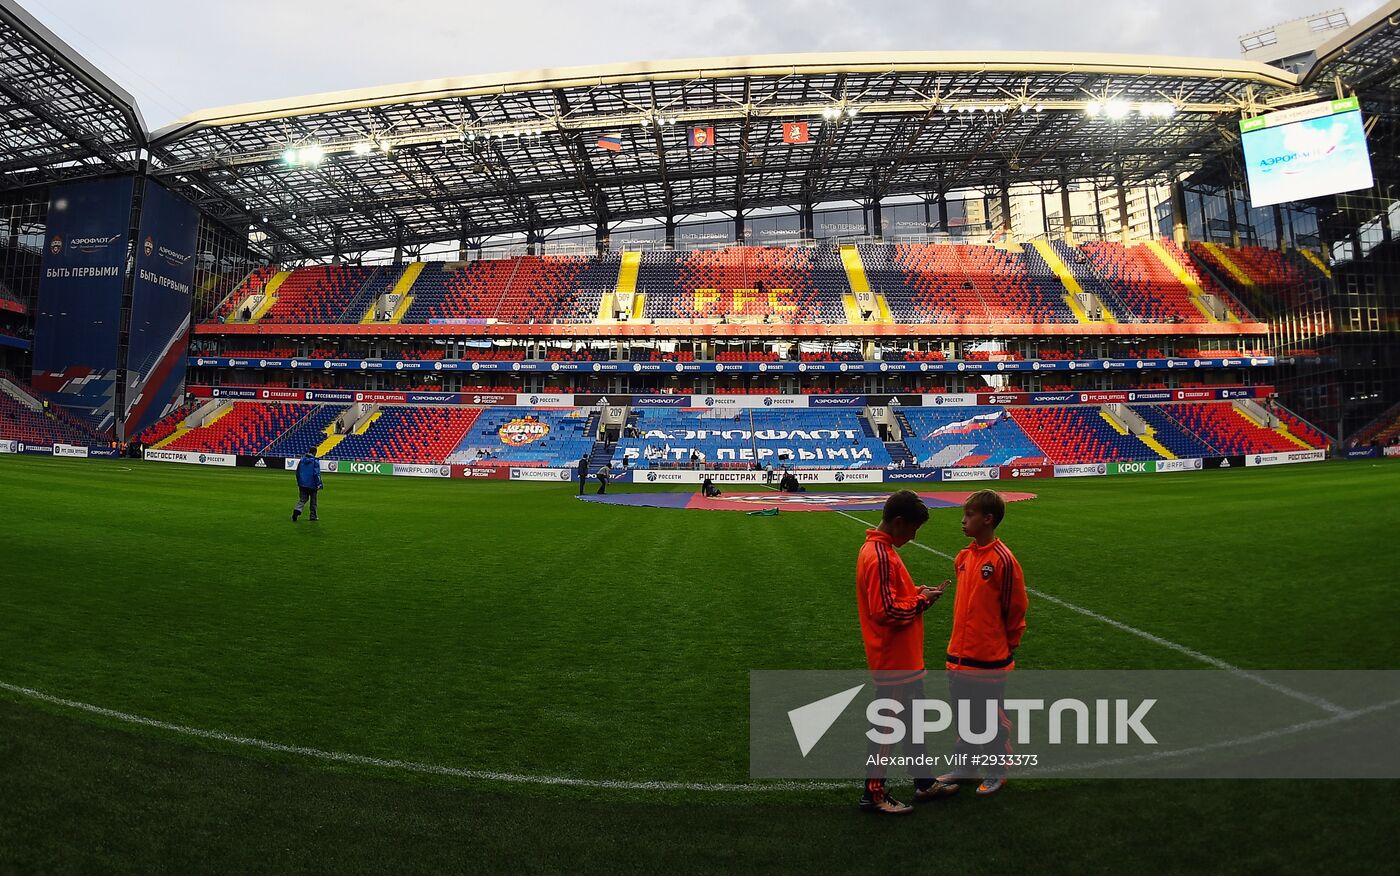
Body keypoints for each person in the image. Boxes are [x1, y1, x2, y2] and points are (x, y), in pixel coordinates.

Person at [856, 490, 957, 815]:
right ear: (899, 523)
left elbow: (893, 595)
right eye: (913, 529)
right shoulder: (881, 555)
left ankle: (924, 782)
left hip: (904, 658)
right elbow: (886, 611)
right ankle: (872, 794)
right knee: (888, 728)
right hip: (894, 660)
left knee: (914, 723)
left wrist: (915, 591)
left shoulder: (878, 549)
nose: (914, 537)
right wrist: (922, 601)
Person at [936, 490, 1027, 797]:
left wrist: (1006, 645)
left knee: (989, 717)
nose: (963, 521)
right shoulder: (963, 557)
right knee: (964, 715)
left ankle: (997, 770)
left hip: (988, 659)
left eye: (969, 515)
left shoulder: (1002, 560)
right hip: (958, 655)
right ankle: (966, 765)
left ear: (988, 519)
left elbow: (1016, 609)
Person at [292, 451, 323, 522]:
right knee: (313, 501)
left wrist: (299, 482)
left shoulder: (302, 460)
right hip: (312, 485)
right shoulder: (315, 461)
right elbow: (316, 474)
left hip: (302, 484)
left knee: (302, 499)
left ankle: (297, 510)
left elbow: (297, 472)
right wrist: (319, 484)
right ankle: (313, 516)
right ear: (315, 452)